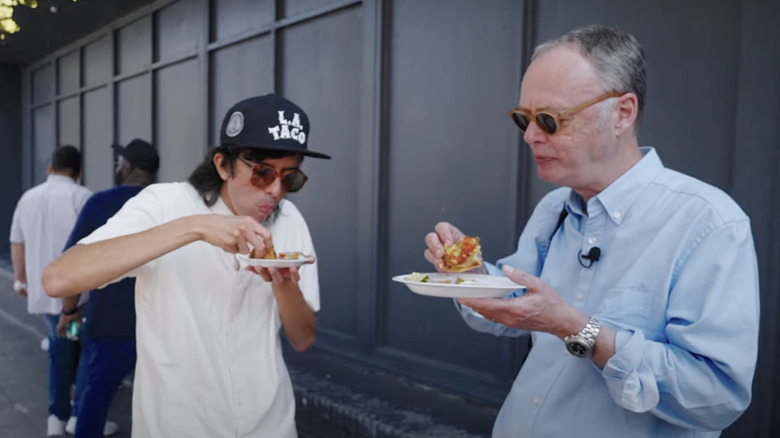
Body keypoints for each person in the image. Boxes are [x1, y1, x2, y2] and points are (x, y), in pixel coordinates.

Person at [424, 25, 759, 437]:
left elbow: (716, 398)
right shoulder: (556, 207)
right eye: (523, 119)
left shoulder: (707, 223)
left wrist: (574, 327)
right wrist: (469, 274)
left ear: (623, 112)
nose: (530, 136)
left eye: (549, 119)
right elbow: (514, 306)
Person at [43, 94, 329, 438]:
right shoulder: (166, 203)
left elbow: (302, 338)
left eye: (290, 178)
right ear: (224, 165)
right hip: (177, 423)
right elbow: (59, 278)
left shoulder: (290, 220)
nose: (276, 191)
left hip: (270, 423)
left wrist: (283, 281)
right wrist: (192, 227)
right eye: (263, 174)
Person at [57, 139, 160, 437]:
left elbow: (72, 265)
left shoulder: (100, 203)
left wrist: (69, 310)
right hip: (159, 324)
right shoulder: (170, 206)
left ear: (126, 168)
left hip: (109, 325)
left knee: (95, 399)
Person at [9, 145, 93, 436]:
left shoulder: (27, 198)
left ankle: (63, 413)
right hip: (78, 294)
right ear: (79, 172)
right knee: (73, 347)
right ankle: (65, 414)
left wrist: (21, 278)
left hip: (45, 291)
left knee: (64, 346)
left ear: (49, 168)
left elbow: (17, 241)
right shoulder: (82, 197)